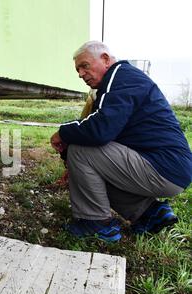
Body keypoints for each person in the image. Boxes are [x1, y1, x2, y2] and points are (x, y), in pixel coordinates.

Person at [50, 41, 192, 242]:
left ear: (106, 59)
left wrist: (62, 132)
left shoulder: (120, 76)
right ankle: (148, 212)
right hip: (167, 167)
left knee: (80, 150)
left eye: (85, 66)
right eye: (78, 70)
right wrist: (75, 170)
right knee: (89, 162)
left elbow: (100, 129)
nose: (80, 74)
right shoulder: (123, 81)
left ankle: (96, 223)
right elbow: (107, 131)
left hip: (162, 166)